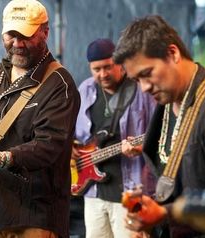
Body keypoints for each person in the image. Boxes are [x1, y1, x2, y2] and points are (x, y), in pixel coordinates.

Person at [0, 0, 80, 237]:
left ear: (45, 32)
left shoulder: (60, 84)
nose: (18, 44)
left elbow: (49, 146)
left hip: (33, 215)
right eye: (11, 36)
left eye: (26, 36)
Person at [116, 15, 205, 238]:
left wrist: (164, 214)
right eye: (136, 80)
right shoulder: (169, 99)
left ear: (173, 53)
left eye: (147, 73)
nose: (143, 88)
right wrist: (150, 219)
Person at [71, 38, 156, 238]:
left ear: (119, 62)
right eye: (96, 69)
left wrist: (141, 147)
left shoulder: (140, 90)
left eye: (108, 67)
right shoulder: (86, 89)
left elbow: (160, 132)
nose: (103, 74)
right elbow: (68, 129)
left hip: (130, 190)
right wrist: (68, 147)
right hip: (92, 192)